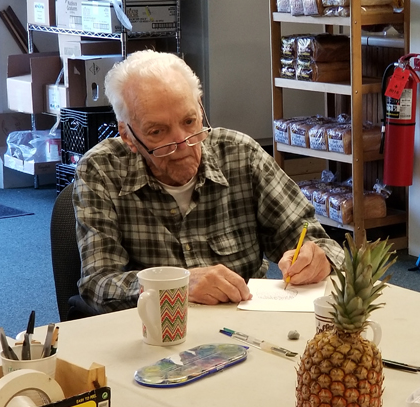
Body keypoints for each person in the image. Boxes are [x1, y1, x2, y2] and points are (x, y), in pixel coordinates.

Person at [73, 50, 344, 313]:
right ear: (128, 136)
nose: (182, 143)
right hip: (152, 336)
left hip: (244, 329)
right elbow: (98, 284)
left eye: (190, 121)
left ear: (201, 109)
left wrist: (318, 258)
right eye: (157, 131)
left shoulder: (242, 155)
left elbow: (318, 242)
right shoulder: (101, 170)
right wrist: (175, 286)